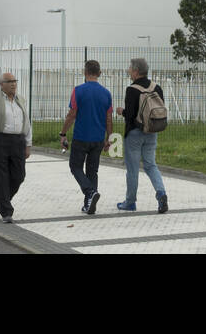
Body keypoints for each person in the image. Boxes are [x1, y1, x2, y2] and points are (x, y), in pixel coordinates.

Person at [116, 57, 169, 213]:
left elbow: (130, 115)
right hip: (152, 131)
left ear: (136, 71)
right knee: (151, 165)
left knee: (132, 169)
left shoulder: (132, 89)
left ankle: (130, 202)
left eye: (130, 69)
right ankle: (161, 193)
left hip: (134, 134)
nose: (129, 71)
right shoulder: (156, 87)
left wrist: (121, 112)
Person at [60, 60, 112, 215]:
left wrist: (63, 133)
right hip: (98, 138)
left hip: (81, 137)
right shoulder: (106, 93)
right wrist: (108, 138)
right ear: (99, 73)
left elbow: (72, 115)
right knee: (92, 171)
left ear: (85, 72)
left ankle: (90, 193)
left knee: (75, 167)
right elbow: (109, 119)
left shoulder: (78, 91)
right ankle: (89, 204)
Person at [0, 72, 31, 223]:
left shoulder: (20, 100)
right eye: (9, 82)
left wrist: (28, 144)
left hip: (18, 141)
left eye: (15, 81)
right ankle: (6, 211)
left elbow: (27, 123)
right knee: (1, 177)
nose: (13, 84)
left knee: (19, 175)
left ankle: (3, 199)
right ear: (1, 84)